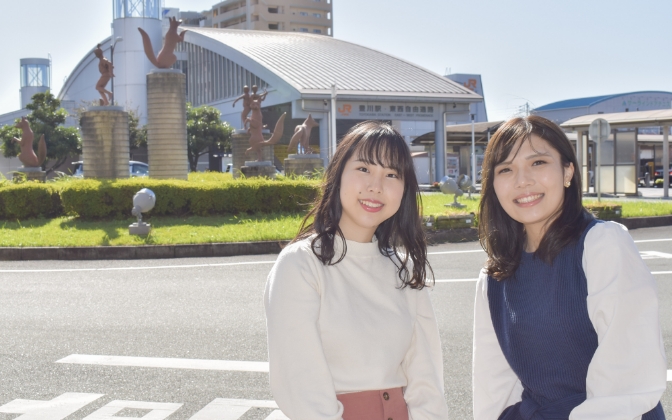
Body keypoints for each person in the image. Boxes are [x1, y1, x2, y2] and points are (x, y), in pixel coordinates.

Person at [472, 115, 667, 420]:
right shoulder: (494, 275)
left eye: (537, 163)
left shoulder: (603, 244)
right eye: (506, 169)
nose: (522, 180)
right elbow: (494, 386)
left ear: (568, 171)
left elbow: (627, 374)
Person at [265, 121, 449, 420]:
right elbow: (301, 385)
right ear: (338, 174)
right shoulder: (300, 264)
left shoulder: (404, 267)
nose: (376, 185)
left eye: (391, 174)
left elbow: (426, 377)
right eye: (364, 168)